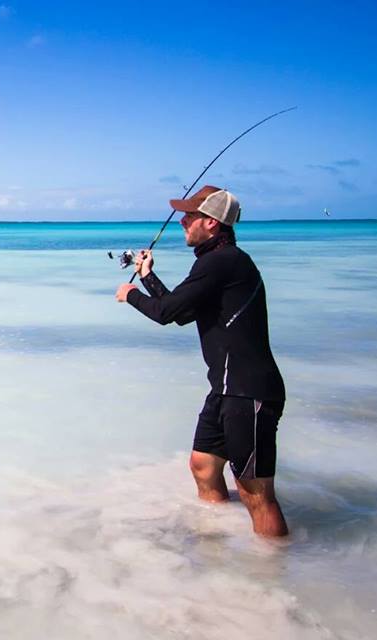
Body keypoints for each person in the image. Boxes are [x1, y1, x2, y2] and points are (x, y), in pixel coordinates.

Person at [115, 185, 288, 537]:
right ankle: (217, 551)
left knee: (256, 494)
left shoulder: (223, 263)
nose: (181, 221)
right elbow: (181, 312)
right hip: (225, 389)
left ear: (211, 223)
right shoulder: (217, 264)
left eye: (189, 216)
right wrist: (147, 276)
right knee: (204, 467)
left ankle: (273, 570)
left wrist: (131, 293)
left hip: (248, 392)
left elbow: (165, 313)